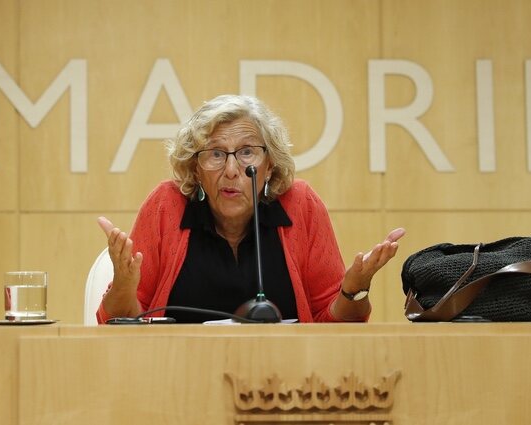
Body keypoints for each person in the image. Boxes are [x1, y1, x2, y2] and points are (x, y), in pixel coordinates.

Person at [96, 94, 405, 323]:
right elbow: (123, 328)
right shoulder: (166, 206)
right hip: (179, 384)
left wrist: (354, 290)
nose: (232, 169)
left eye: (247, 152)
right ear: (195, 168)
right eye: (216, 154)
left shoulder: (301, 206)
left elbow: (333, 328)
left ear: (269, 165)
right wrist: (124, 285)